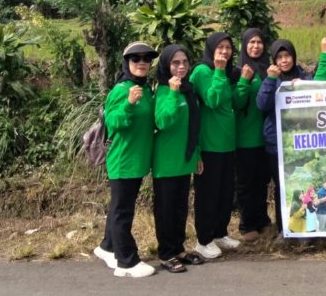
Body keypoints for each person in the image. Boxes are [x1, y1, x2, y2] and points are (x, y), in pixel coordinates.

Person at [94, 42, 158, 278]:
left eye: (146, 59)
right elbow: (113, 123)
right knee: (123, 211)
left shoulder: (147, 89)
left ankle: (107, 247)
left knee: (119, 208)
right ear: (127, 63)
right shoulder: (122, 90)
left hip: (137, 160)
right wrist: (129, 104)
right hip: (123, 160)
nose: (141, 63)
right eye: (135, 59)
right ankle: (126, 262)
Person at [151, 44, 204, 273]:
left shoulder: (188, 90)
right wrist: (172, 93)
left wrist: (197, 154)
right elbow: (163, 122)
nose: (181, 66)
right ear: (165, 65)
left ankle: (179, 249)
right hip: (166, 162)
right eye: (175, 62)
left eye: (184, 62)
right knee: (166, 209)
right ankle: (165, 254)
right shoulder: (163, 91)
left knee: (180, 208)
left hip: (185, 159)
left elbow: (193, 126)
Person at [190, 32, 240, 260]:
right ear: (211, 49)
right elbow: (212, 100)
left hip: (227, 144)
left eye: (228, 47)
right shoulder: (202, 71)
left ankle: (220, 232)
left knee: (224, 192)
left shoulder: (227, 72)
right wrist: (219, 71)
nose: (224, 51)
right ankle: (203, 240)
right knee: (207, 194)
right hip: (209, 145)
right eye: (220, 47)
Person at [257, 39, 313, 234]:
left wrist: (304, 86)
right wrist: (271, 80)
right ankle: (284, 229)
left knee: (304, 186)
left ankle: (305, 229)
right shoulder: (272, 79)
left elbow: (316, 99)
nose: (284, 60)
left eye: (287, 56)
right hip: (277, 143)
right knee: (283, 187)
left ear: (293, 56)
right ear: (274, 60)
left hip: (302, 143)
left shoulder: (305, 76)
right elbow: (262, 105)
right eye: (279, 57)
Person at [233, 28, 271, 242]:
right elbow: (237, 103)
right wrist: (244, 82)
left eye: (259, 42)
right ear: (244, 45)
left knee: (262, 181)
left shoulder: (268, 69)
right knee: (246, 183)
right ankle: (247, 224)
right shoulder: (238, 71)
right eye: (251, 42)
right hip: (245, 137)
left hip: (264, 137)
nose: (256, 46)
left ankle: (262, 219)